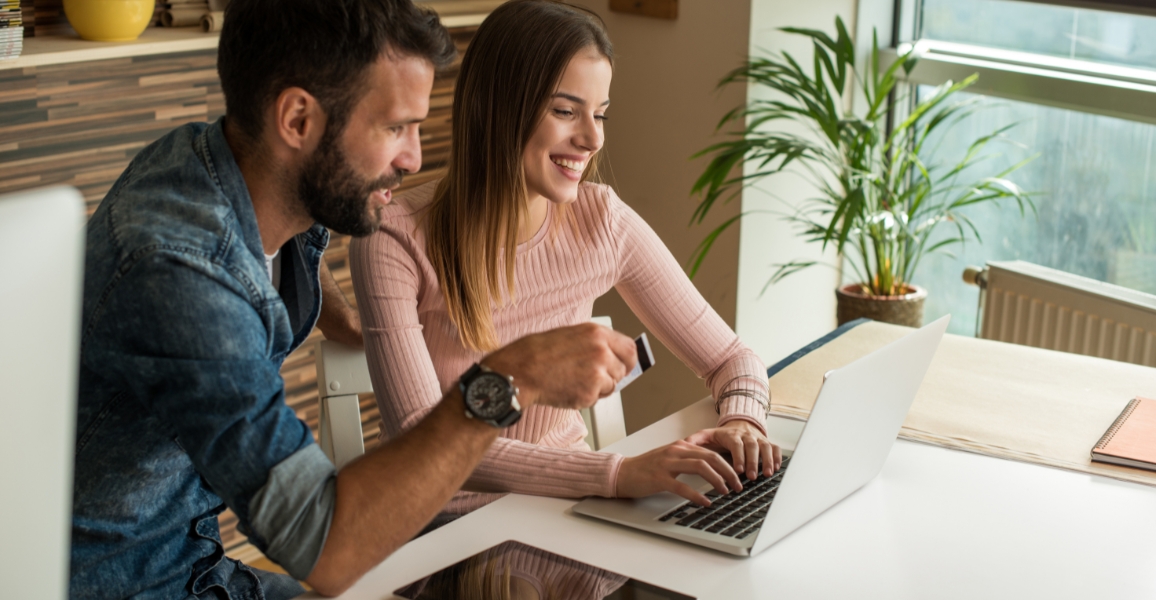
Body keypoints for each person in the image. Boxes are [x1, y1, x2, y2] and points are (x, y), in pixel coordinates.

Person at [69, 0, 639, 598]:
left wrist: (328, 308)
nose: (414, 158)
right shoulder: (183, 277)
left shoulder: (214, 167)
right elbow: (325, 545)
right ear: (297, 120)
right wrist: (509, 378)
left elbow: (262, 252)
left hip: (194, 563)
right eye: (395, 127)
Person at [349, 0, 781, 525]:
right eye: (564, 111)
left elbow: (731, 358)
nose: (592, 138)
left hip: (570, 517)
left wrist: (744, 422)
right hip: (441, 532)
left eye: (600, 114)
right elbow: (425, 438)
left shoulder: (601, 220)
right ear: (499, 106)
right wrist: (615, 475)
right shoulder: (394, 238)